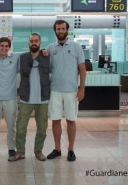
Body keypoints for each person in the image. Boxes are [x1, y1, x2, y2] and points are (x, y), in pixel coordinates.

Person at [46, 20, 86, 162]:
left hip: (71, 91)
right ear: (55, 30)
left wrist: (82, 89)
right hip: (54, 90)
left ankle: (71, 149)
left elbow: (82, 68)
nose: (61, 30)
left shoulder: (76, 47)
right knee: (55, 120)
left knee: (71, 120)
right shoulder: (50, 48)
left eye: (63, 28)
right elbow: (47, 69)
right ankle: (57, 149)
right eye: (58, 28)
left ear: (67, 30)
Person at [9, 33, 50, 162]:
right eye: (31, 40)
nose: (34, 43)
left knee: (42, 128)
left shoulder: (47, 57)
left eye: (36, 41)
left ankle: (38, 151)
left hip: (43, 99)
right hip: (26, 98)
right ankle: (20, 152)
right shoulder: (22, 57)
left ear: (40, 42)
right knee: (21, 127)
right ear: (28, 43)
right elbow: (3, 54)